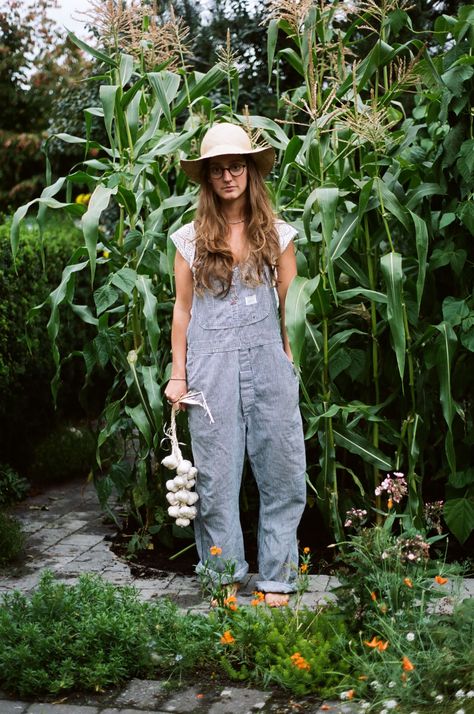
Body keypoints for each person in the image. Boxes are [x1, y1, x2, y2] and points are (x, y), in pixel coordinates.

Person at [164, 123, 307, 607]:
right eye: (218, 169)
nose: (228, 176)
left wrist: (290, 361)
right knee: (217, 478)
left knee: (283, 473)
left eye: (236, 166)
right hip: (210, 369)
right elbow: (182, 311)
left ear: (250, 171)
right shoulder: (189, 239)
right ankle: (223, 572)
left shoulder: (278, 234)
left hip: (270, 363)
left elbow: (292, 306)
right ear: (206, 177)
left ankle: (279, 578)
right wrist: (177, 373)